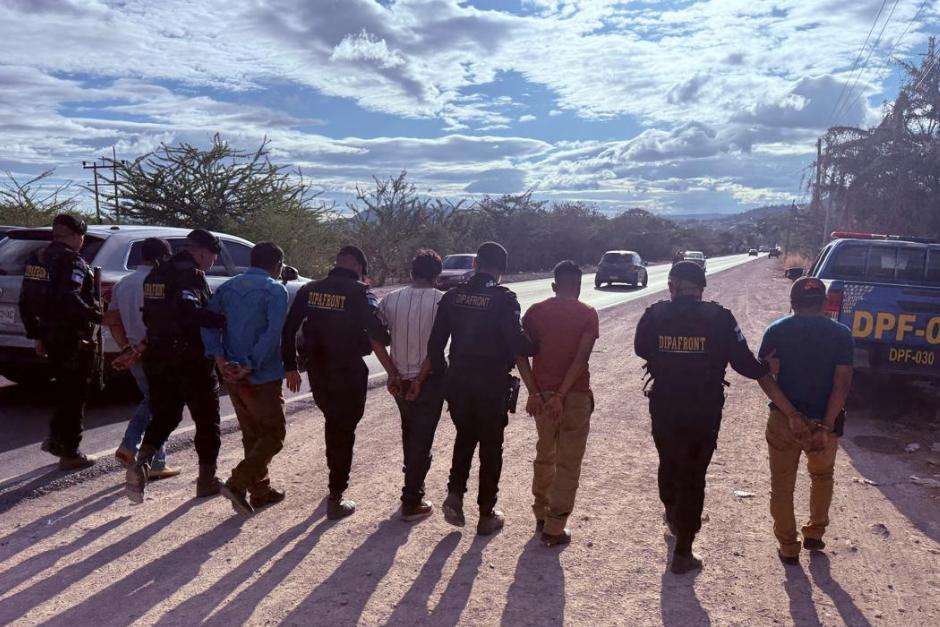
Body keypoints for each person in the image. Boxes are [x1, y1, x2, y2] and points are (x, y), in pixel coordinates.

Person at [634, 261, 799, 574]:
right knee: (694, 473)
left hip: (665, 403)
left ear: (672, 286)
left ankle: (671, 510)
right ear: (701, 288)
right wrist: (768, 368)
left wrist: (669, 356)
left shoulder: (654, 315)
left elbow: (641, 349)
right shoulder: (720, 318)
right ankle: (683, 549)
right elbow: (743, 363)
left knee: (668, 460)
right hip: (703, 407)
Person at [427, 241, 538, 535]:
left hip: (458, 382)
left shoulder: (452, 297)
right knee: (491, 446)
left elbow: (435, 346)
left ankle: (455, 493)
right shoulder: (504, 299)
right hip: (491, 383)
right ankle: (486, 512)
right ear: (502, 270)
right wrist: (537, 341)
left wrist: (445, 381)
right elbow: (518, 344)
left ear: (475, 264)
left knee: (465, 436)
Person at [282, 245, 390, 521]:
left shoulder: (311, 289)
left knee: (334, 423)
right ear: (357, 267)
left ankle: (335, 486)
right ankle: (336, 494)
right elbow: (378, 330)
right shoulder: (359, 292)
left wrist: (290, 365)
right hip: (348, 370)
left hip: (318, 370)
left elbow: (289, 327)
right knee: (344, 429)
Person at [125, 229, 226, 504]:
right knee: (207, 421)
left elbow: (154, 317)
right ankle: (207, 480)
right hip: (190, 359)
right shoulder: (190, 275)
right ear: (203, 252)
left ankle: (141, 463)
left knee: (165, 416)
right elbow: (189, 311)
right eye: (213, 257)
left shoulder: (155, 275)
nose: (212, 263)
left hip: (158, 357)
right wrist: (221, 320)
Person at [758, 277, 854, 564]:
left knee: (782, 485)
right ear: (824, 303)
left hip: (783, 422)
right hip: (825, 421)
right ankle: (815, 533)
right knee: (822, 476)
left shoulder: (776, 330)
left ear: (793, 303)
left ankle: (789, 547)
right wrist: (826, 425)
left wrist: (791, 414)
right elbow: (842, 384)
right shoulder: (841, 334)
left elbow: (763, 375)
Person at [202, 242, 290, 517]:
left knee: (252, 433)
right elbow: (272, 333)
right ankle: (238, 483)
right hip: (260, 376)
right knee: (274, 434)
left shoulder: (227, 288)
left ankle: (261, 490)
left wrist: (220, 360)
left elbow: (207, 323)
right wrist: (250, 365)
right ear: (277, 265)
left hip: (231, 373)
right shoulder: (275, 290)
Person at [520, 260, 599, 547]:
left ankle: (540, 514)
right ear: (578, 286)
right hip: (574, 397)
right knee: (568, 462)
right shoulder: (588, 314)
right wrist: (561, 396)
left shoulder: (535, 312)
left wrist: (535, 392)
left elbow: (520, 354)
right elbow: (581, 359)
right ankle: (554, 527)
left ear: (554, 285)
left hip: (541, 397)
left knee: (545, 454)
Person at [18, 214, 100, 470]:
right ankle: (70, 451)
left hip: (50, 335)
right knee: (75, 393)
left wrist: (37, 335)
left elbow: (26, 299)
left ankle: (56, 439)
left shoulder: (37, 258)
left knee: (65, 390)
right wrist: (98, 316)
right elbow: (70, 297)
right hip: (72, 337)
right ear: (76, 236)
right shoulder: (73, 261)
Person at [372, 249, 445, 521]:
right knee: (422, 438)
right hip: (431, 379)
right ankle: (411, 498)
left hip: (399, 380)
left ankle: (413, 488)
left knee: (409, 430)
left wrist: (392, 373)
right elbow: (437, 347)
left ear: (412, 272)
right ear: (437, 275)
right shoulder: (442, 301)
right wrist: (421, 378)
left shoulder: (390, 300)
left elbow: (375, 338)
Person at [106, 237, 180, 480]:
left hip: (134, 353)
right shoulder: (165, 282)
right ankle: (134, 447)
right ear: (164, 257)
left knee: (154, 402)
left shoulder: (123, 284)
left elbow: (113, 319)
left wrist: (128, 348)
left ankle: (156, 460)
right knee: (159, 403)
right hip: (158, 352)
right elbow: (166, 322)